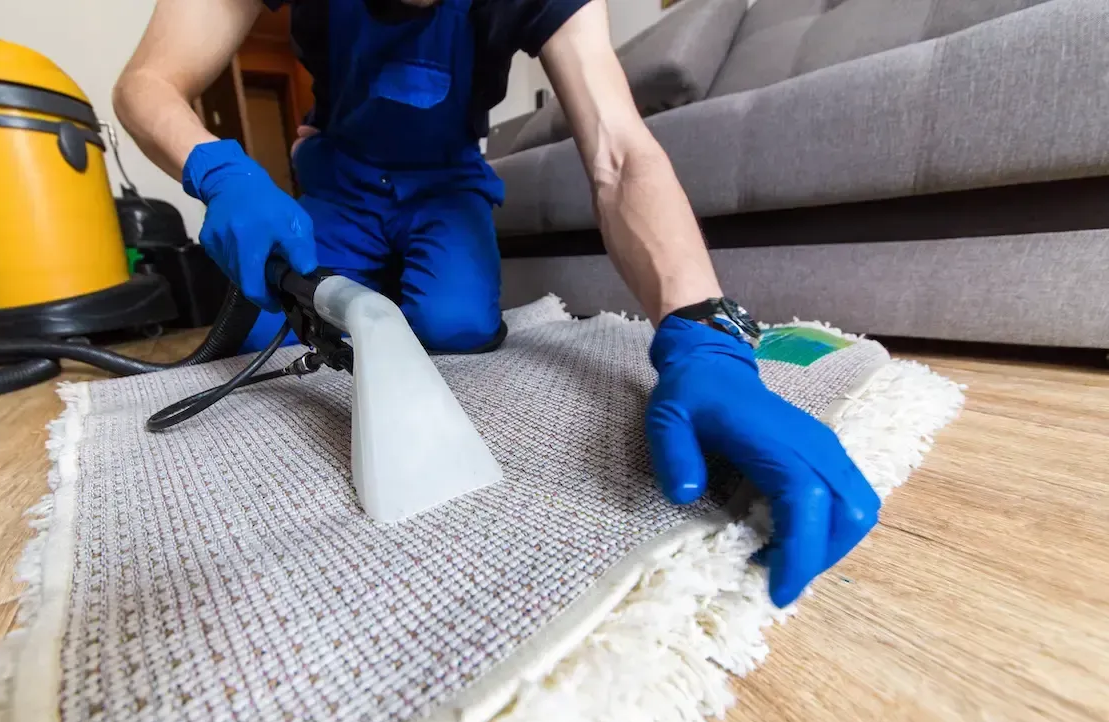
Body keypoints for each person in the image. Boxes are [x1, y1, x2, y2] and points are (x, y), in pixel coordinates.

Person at [114, 0, 880, 607]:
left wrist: (703, 329)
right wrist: (217, 167)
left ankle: (390, 270)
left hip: (446, 183)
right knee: (273, 331)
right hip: (341, 174)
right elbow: (149, 80)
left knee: (457, 325)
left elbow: (619, 151)